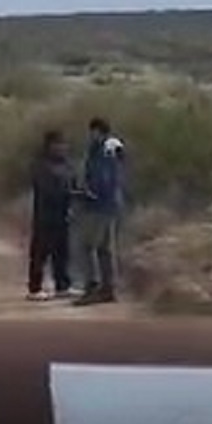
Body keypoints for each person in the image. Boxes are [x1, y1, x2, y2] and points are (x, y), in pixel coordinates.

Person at [73, 116, 127, 306]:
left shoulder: (104, 150)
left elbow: (104, 177)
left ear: (98, 131)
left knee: (87, 246)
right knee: (104, 249)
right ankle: (107, 288)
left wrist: (88, 193)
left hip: (99, 205)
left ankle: (92, 286)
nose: (90, 136)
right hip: (109, 205)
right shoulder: (108, 148)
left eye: (93, 132)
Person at [26, 129, 76, 301]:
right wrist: (66, 195)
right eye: (57, 144)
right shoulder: (41, 165)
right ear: (49, 146)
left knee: (62, 253)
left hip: (63, 216)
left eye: (63, 144)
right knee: (40, 253)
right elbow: (46, 190)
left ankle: (62, 286)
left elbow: (72, 184)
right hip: (45, 217)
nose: (61, 148)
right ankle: (35, 288)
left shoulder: (67, 164)